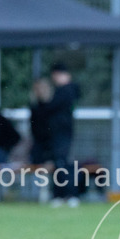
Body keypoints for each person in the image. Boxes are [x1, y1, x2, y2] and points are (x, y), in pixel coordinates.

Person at [38, 62, 81, 207]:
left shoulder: (66, 91)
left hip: (62, 134)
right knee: (60, 163)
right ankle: (61, 195)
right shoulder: (68, 90)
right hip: (60, 134)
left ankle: (69, 195)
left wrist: (43, 100)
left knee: (63, 164)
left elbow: (50, 108)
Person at [28, 77, 53, 166]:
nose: (41, 91)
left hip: (52, 148)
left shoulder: (54, 107)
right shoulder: (35, 108)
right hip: (39, 147)